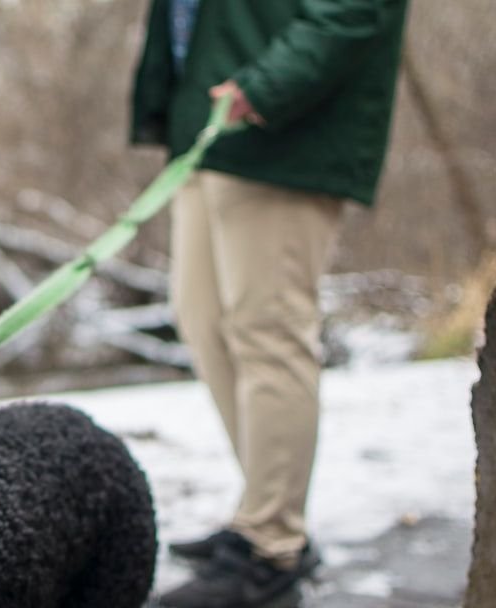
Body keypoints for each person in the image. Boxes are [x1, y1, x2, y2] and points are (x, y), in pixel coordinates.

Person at [129, 1, 409, 606]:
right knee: (202, 322)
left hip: (281, 130)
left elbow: (356, 9)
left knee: (267, 332)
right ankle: (268, 511)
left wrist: (267, 86)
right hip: (208, 127)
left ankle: (270, 546)